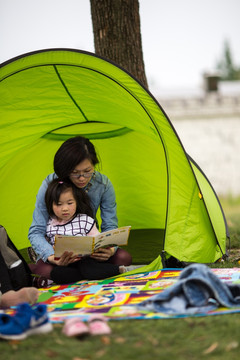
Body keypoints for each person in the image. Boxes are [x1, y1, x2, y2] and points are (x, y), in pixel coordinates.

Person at [28, 136, 132, 279]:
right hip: (57, 251)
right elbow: (36, 231)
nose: (82, 178)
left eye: (88, 171)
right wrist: (51, 256)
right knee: (51, 268)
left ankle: (74, 273)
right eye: (75, 173)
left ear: (94, 165)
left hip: (88, 252)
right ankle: (69, 271)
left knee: (123, 258)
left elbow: (110, 225)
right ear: (64, 170)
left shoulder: (103, 185)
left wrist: (110, 249)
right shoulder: (50, 185)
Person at [43, 179, 129, 284]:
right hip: (66, 262)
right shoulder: (49, 224)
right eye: (59, 204)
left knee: (87, 267)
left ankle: (117, 270)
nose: (65, 209)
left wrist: (100, 247)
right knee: (57, 273)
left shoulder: (84, 220)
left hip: (87, 260)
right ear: (50, 205)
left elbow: (97, 238)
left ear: (76, 202)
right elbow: (46, 244)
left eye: (70, 203)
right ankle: (91, 275)